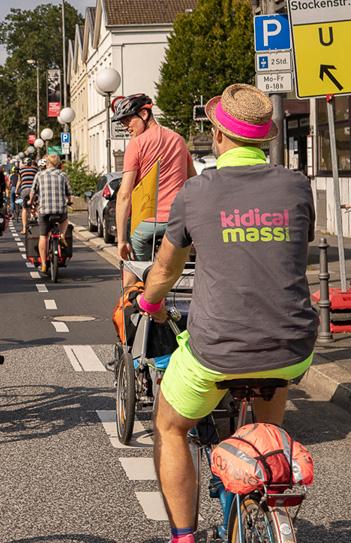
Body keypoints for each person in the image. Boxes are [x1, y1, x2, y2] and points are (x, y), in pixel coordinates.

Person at [137, 84, 317, 543]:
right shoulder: (297, 186)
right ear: (264, 137)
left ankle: (183, 537)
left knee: (170, 427)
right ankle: (260, 483)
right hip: (293, 345)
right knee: (268, 414)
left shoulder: (198, 192)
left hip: (218, 350)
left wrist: (150, 302)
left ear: (218, 134)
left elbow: (165, 268)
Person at [113, 93, 196, 267]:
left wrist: (121, 240)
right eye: (123, 123)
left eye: (128, 120)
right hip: (177, 222)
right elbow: (193, 182)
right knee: (177, 271)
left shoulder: (136, 144)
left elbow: (124, 194)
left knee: (135, 271)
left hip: (146, 224)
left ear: (144, 114)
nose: (126, 127)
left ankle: (139, 289)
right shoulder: (178, 140)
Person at [30, 154, 72, 273]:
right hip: (60, 209)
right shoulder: (62, 175)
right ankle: (62, 235)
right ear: (58, 163)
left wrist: (30, 201)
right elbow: (68, 192)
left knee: (43, 236)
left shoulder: (39, 175)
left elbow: (33, 192)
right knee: (64, 220)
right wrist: (69, 201)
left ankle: (43, 263)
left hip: (44, 210)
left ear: (47, 163)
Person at [17, 157, 38, 234]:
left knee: (24, 209)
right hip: (33, 190)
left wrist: (16, 191)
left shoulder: (21, 170)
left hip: (24, 190)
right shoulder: (35, 169)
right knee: (36, 205)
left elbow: (19, 181)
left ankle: (24, 228)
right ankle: (37, 220)